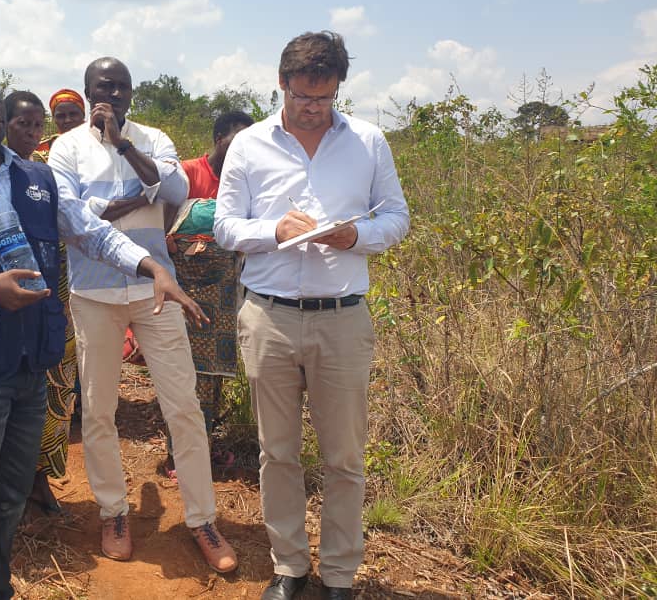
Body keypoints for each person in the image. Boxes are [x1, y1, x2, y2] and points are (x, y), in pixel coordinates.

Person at [0, 61, 207, 600]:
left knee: (9, 496)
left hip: (31, 367)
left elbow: (92, 233)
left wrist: (153, 268)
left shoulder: (37, 178)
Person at [213, 31, 410, 600]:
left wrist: (355, 235)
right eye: (303, 96)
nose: (313, 108)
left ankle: (340, 575)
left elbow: (396, 217)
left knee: (344, 456)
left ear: (338, 89)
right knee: (277, 452)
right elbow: (226, 226)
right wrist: (273, 230)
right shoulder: (249, 145)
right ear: (282, 83)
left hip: (343, 318)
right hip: (269, 317)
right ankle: (289, 566)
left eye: (324, 98)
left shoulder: (368, 142)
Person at [46, 57, 238, 572]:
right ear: (87, 93)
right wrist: (128, 201)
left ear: (132, 93)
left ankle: (202, 518)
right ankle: (114, 511)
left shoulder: (152, 139)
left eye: (122, 87)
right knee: (100, 411)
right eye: (103, 87)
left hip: (158, 292)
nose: (113, 94)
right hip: (93, 294)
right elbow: (71, 218)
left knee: (184, 406)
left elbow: (175, 192)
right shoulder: (65, 149)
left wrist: (125, 148)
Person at [4, 90, 74, 516]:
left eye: (36, 125)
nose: (31, 133)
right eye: (22, 124)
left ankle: (40, 478)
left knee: (56, 387)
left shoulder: (47, 170)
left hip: (54, 288)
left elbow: (72, 221)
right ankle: (10, 484)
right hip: (6, 291)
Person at [166, 110, 254, 452]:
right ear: (219, 139)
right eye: (235, 142)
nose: (240, 150)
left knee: (215, 372)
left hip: (226, 289)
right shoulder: (187, 173)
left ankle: (203, 444)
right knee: (187, 371)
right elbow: (162, 222)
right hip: (187, 285)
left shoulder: (243, 181)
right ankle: (181, 451)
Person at [35, 88, 86, 159]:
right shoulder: (39, 149)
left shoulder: (98, 143)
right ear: (54, 119)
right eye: (61, 116)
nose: (68, 120)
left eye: (73, 114)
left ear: (83, 115)